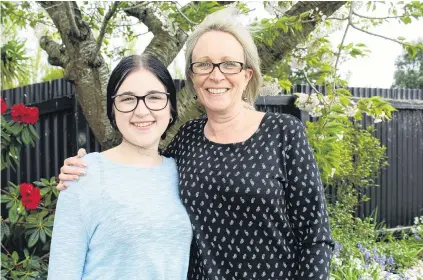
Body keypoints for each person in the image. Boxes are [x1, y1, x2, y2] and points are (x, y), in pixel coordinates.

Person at [57, 8, 334, 280]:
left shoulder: (283, 133)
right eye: (204, 64)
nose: (216, 75)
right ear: (192, 77)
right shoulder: (188, 138)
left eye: (229, 64)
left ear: (247, 74)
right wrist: (84, 169)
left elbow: (316, 239)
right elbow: (142, 164)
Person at [48, 54, 192, 279]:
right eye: (127, 99)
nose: (142, 111)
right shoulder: (83, 175)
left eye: (154, 97)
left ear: (171, 106)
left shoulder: (184, 172)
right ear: (112, 109)